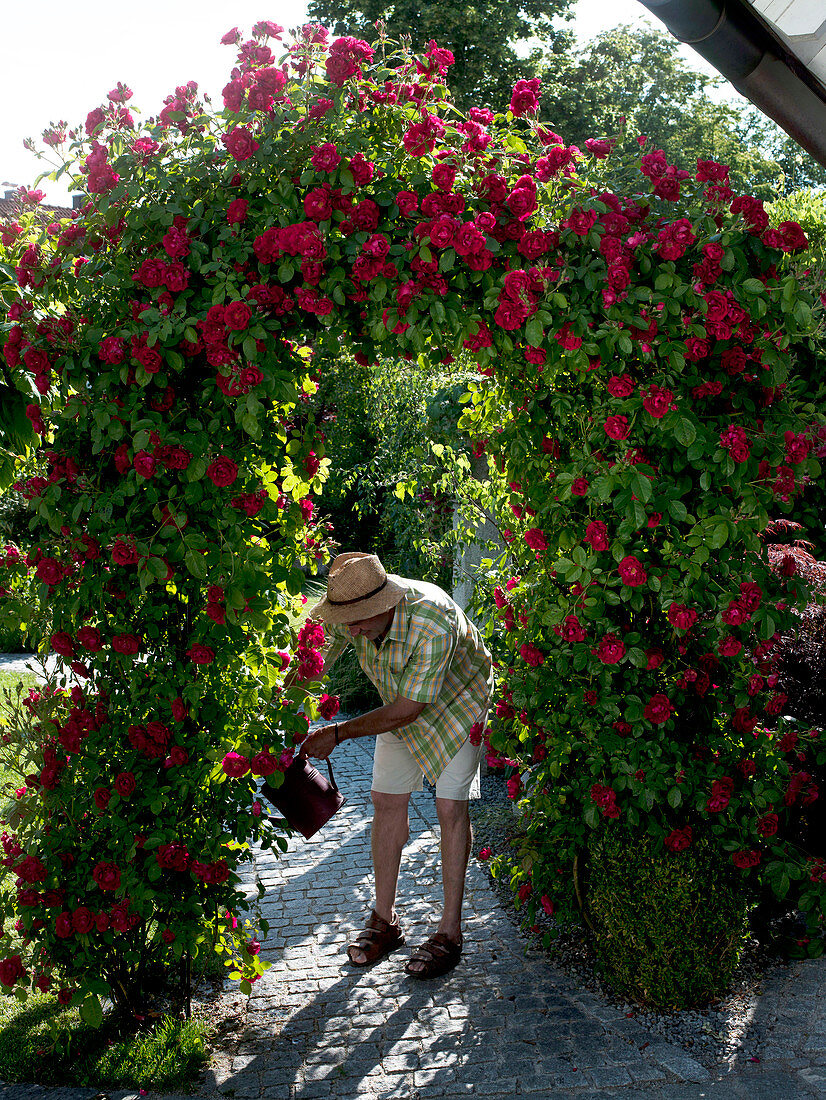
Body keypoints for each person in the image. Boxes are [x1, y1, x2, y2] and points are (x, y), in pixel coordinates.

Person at [299, 551, 493, 979]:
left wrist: (336, 732)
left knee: (448, 806)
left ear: (385, 603)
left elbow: (408, 709)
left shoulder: (432, 618)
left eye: (360, 620)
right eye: (346, 619)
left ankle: (450, 932)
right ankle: (385, 921)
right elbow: (310, 668)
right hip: (401, 700)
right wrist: (272, 705)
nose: (351, 629)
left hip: (458, 703)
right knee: (385, 800)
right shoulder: (352, 610)